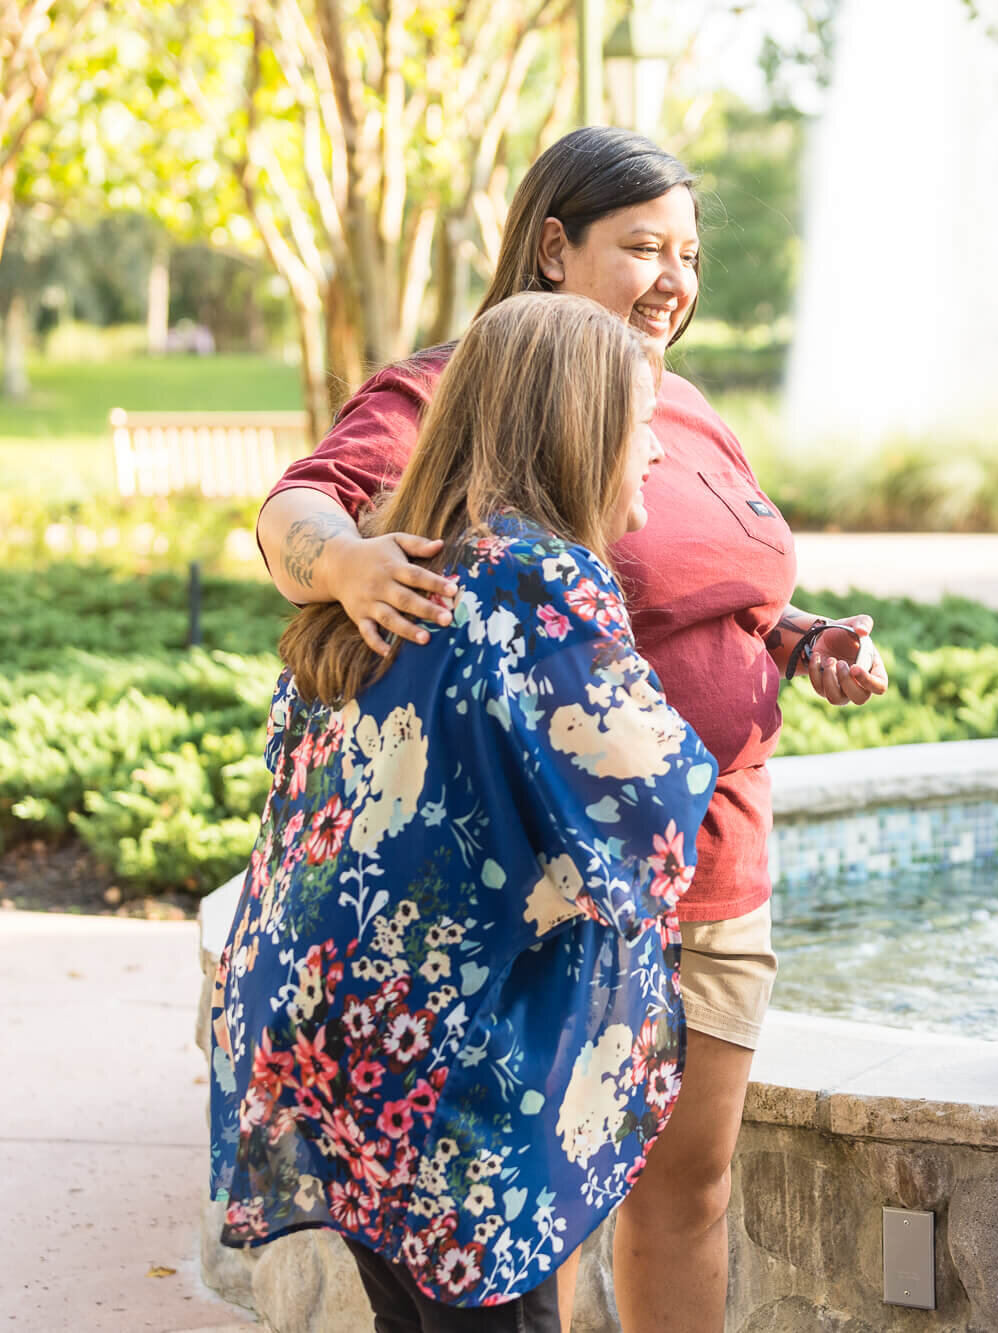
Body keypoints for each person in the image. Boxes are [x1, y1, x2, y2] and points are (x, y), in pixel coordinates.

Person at [253, 127, 888, 1330]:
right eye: (643, 247)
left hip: (713, 869)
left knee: (682, 1197)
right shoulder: (470, 387)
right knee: (514, 1213)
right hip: (545, 901)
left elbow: (715, 579)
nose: (675, 279)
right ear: (553, 246)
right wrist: (340, 565)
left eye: (688, 253)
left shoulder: (678, 402)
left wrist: (795, 637)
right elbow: (300, 507)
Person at [209, 292, 714, 1332]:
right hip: (459, 1068)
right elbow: (655, 821)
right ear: (576, 427)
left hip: (334, 1035)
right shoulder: (540, 580)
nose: (655, 453)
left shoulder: (384, 561)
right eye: (640, 422)